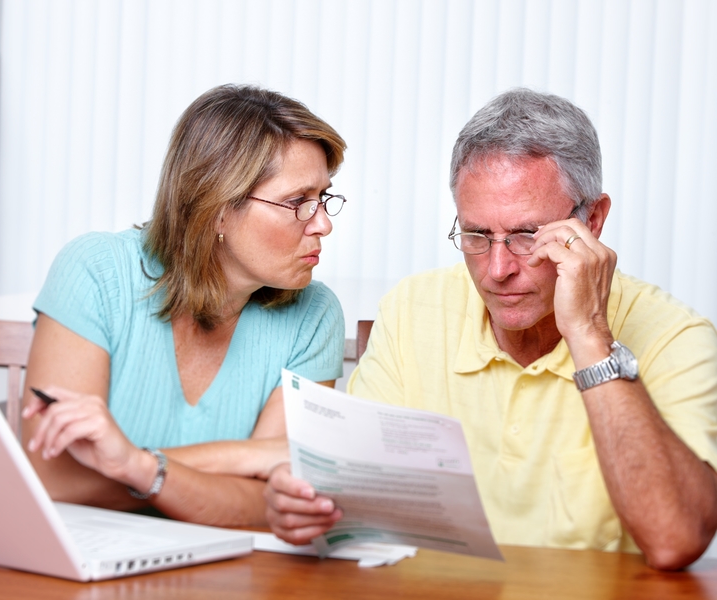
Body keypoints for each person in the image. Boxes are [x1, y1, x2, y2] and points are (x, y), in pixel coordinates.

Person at [264, 88, 717, 570]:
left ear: (594, 220)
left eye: (526, 236)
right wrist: (302, 506)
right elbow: (355, 501)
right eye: (476, 235)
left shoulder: (676, 335)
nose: (497, 269)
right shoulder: (413, 308)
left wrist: (589, 335)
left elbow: (675, 540)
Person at [22, 84, 347, 527]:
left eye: (323, 198)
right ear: (216, 208)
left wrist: (133, 464)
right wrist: (246, 458)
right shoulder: (96, 273)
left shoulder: (314, 315)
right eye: (298, 202)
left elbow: (267, 505)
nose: (324, 224)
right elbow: (53, 481)